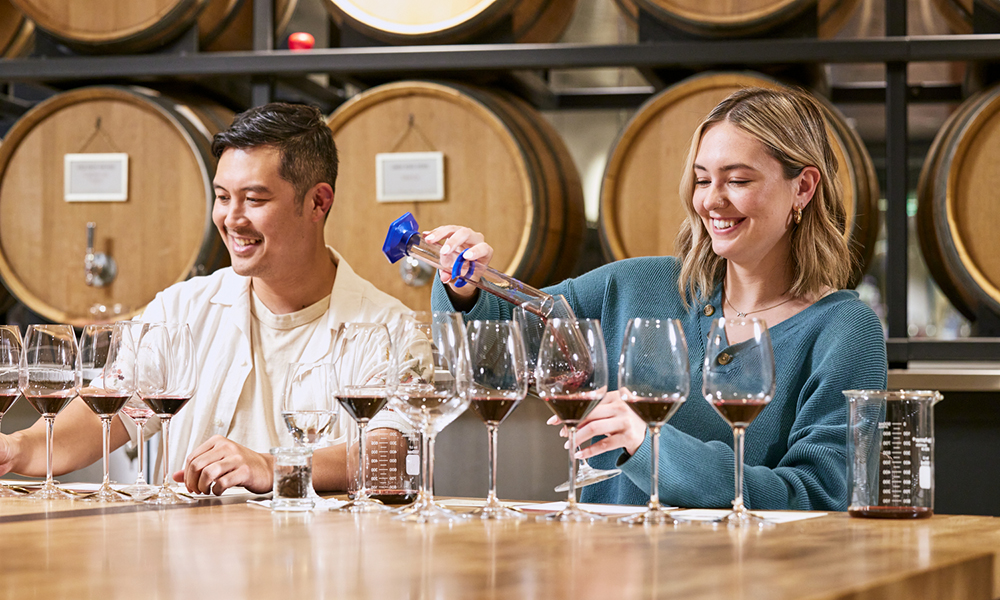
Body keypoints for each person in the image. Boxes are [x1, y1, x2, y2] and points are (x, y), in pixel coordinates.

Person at [428, 87, 887, 511]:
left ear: (803, 187)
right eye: (702, 180)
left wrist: (651, 445)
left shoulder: (844, 331)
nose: (712, 201)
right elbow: (489, 350)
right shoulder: (634, 285)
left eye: (737, 180)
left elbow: (820, 495)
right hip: (609, 563)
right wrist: (464, 285)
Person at [0, 103, 411, 495]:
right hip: (185, 544)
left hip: (317, 545)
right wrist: (16, 448)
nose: (231, 219)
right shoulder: (181, 308)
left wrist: (271, 466)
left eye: (255, 199)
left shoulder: (391, 327)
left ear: (318, 202)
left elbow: (393, 455)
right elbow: (104, 417)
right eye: (223, 197)